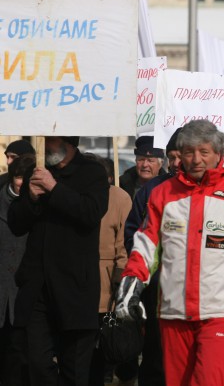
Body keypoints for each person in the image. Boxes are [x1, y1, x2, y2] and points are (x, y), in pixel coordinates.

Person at [115, 120, 224, 386]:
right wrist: (131, 283)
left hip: (222, 310)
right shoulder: (162, 193)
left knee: (210, 381)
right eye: (189, 152)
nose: (196, 159)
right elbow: (146, 246)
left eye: (203, 152)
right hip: (173, 310)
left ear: (219, 153)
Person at [8, 136, 109, 386]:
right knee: (36, 363)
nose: (44, 146)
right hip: (37, 287)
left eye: (49, 141)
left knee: (74, 370)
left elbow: (90, 212)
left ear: (68, 142)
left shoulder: (92, 172)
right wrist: (30, 198)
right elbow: (17, 223)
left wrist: (54, 189)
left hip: (75, 288)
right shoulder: (37, 170)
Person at [118, 127, 182, 386]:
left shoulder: (210, 189)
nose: (178, 163)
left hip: (199, 288)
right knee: (155, 351)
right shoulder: (152, 190)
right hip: (157, 284)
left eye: (183, 156)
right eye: (173, 157)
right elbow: (133, 233)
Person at [86, 155, 132, 386]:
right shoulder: (75, 193)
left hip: (107, 279)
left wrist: (119, 275)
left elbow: (123, 240)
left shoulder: (120, 198)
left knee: (105, 335)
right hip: (78, 277)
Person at [0, 154, 35, 385]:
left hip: (25, 289)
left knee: (21, 352)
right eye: (18, 177)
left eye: (26, 178)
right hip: (2, 287)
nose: (21, 183)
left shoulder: (39, 204)